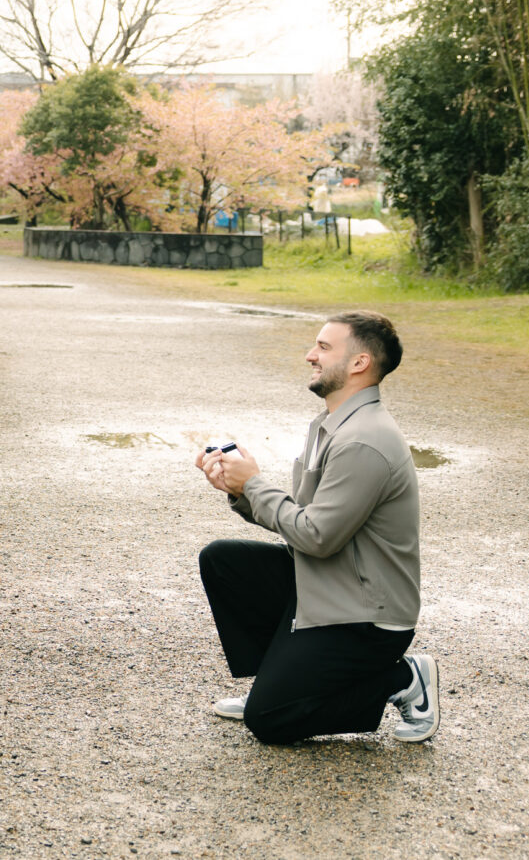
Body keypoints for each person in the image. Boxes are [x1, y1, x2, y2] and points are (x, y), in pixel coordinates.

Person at [194, 311, 438, 745]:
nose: (311, 355)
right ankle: (276, 678)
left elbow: (317, 537)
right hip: (330, 585)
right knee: (224, 561)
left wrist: (254, 483)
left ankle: (402, 677)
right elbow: (302, 518)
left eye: (324, 347)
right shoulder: (333, 425)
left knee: (268, 721)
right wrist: (240, 491)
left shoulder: (365, 438)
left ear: (360, 363)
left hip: (366, 617)